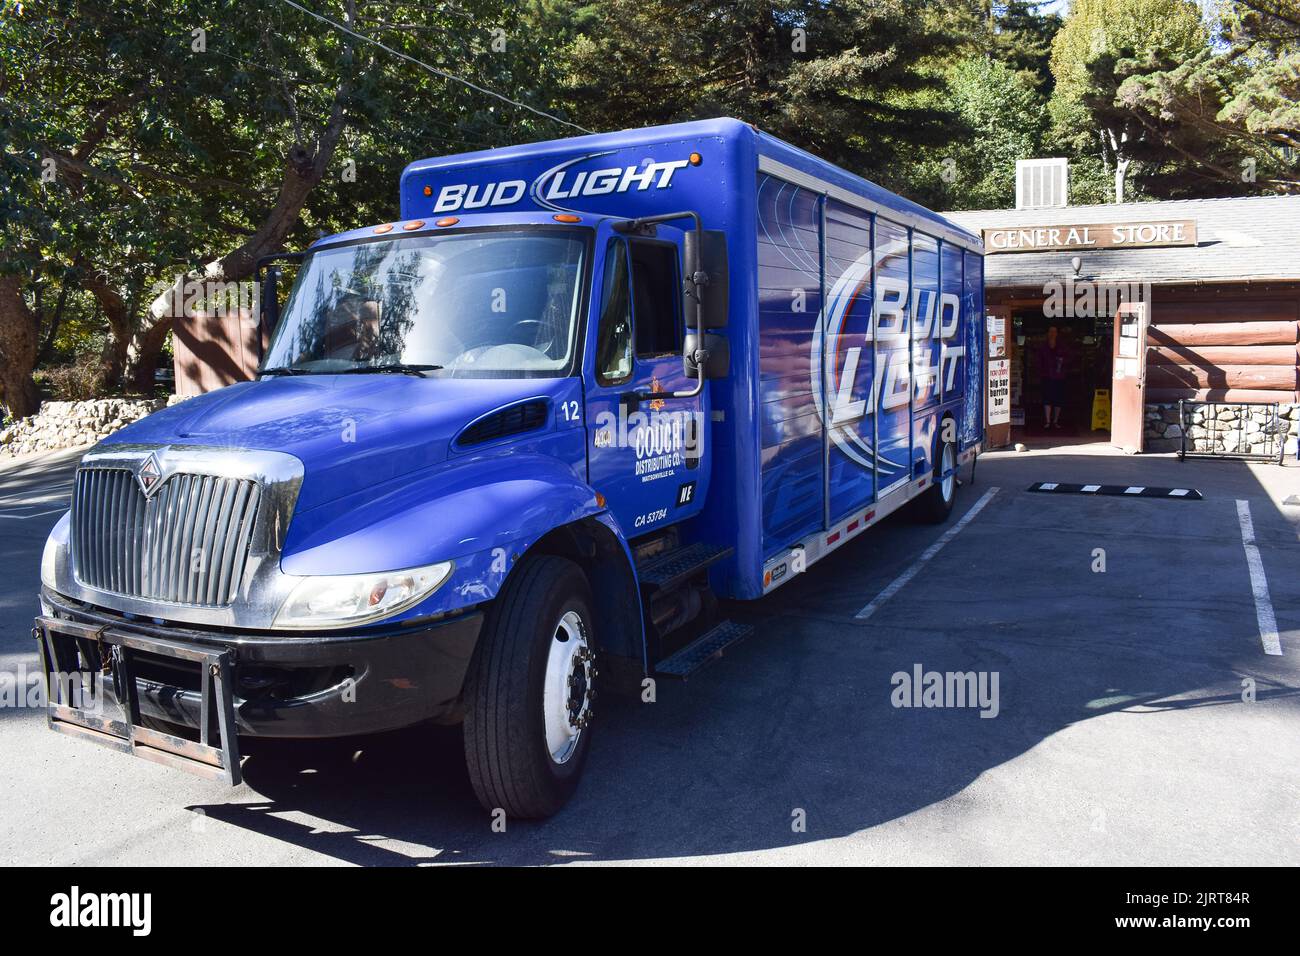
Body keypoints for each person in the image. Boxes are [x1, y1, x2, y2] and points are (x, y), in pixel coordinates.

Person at [1036, 326, 1071, 430]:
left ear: (1057, 333)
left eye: (1054, 331)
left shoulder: (1062, 346)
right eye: (1050, 331)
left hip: (1059, 377)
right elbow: (1038, 361)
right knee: (1047, 398)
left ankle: (1055, 421)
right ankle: (1047, 421)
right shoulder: (1043, 347)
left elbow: (1069, 358)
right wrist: (1041, 372)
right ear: (1047, 333)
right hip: (1046, 376)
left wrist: (1062, 362)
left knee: (1058, 399)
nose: (1052, 333)